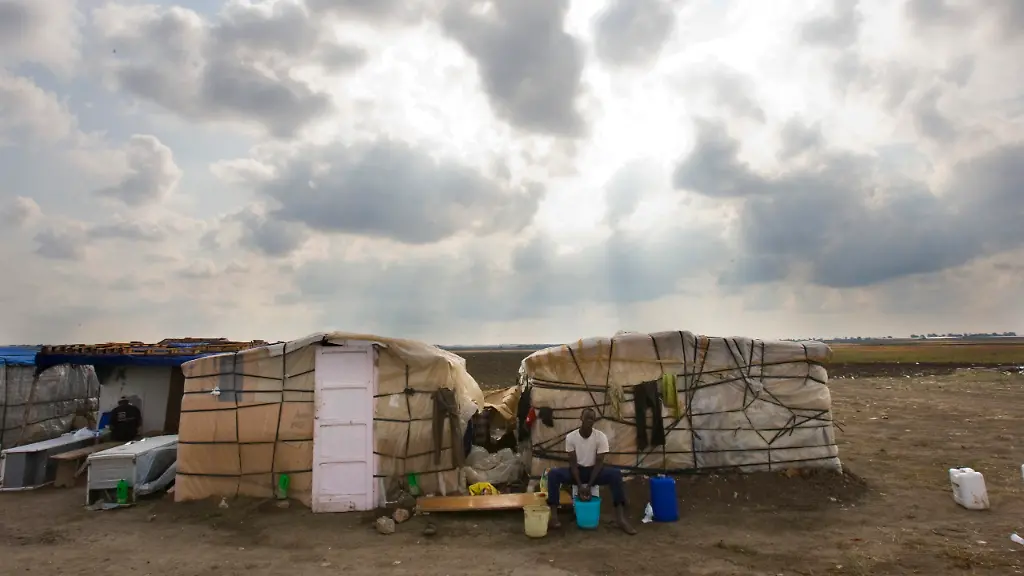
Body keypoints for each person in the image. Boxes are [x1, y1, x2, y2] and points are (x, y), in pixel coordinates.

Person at [547, 407, 636, 534]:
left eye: (592, 419)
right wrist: (580, 485)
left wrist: (588, 485)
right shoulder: (571, 437)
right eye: (587, 418)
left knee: (615, 475)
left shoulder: (600, 437)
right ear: (581, 418)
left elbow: (599, 464)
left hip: (595, 471)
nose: (590, 421)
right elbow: (573, 464)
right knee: (553, 474)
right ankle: (554, 517)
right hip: (576, 471)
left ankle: (620, 518)